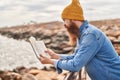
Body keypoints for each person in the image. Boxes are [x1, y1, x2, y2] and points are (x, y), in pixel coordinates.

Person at [39, 0, 120, 80]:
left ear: (73, 19)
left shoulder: (90, 35)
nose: (64, 25)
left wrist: (51, 61)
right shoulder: (82, 35)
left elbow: (75, 65)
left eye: (65, 20)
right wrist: (56, 56)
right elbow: (76, 57)